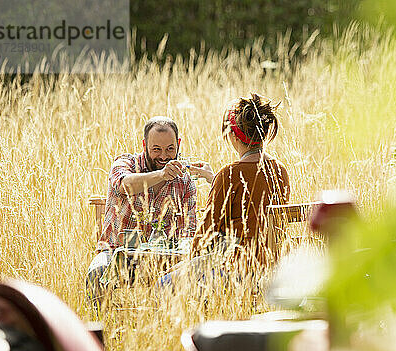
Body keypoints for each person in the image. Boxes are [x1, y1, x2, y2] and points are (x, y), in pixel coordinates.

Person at [159, 94, 289, 288]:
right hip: (271, 268)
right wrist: (214, 179)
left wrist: (182, 264)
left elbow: (205, 234)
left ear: (233, 136)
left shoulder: (229, 175)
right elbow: (254, 206)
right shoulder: (280, 170)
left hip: (233, 268)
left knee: (163, 284)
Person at [87, 116, 197, 301]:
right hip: (117, 254)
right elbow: (124, 185)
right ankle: (98, 326)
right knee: (96, 273)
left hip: (163, 261)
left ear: (178, 144)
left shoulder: (184, 181)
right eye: (156, 149)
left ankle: (168, 328)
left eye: (170, 149)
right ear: (144, 145)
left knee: (192, 277)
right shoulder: (125, 164)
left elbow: (189, 232)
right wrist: (161, 175)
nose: (164, 156)